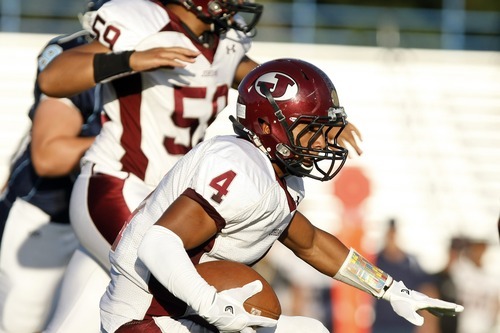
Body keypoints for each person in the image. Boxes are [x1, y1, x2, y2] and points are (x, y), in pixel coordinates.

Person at [37, 0, 364, 332]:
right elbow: (51, 79)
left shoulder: (222, 43)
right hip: (121, 183)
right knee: (206, 297)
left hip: (173, 193)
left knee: (86, 313)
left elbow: (270, 88)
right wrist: (130, 59)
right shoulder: (147, 26)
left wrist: (318, 118)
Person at [98, 58, 463, 333]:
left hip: (180, 309)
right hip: (147, 317)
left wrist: (388, 288)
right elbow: (158, 243)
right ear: (265, 125)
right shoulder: (238, 164)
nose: (322, 142)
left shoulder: (274, 174)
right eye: (311, 129)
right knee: (268, 305)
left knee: (313, 330)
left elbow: (312, 243)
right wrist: (215, 309)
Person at [0, 1, 106, 330]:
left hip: (112, 223)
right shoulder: (74, 54)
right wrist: (123, 144)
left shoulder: (178, 62)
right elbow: (49, 156)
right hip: (48, 216)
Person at [371, 219, 441, 333]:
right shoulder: (376, 261)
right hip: (380, 325)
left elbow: (428, 289)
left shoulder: (412, 263)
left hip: (407, 326)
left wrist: (429, 323)